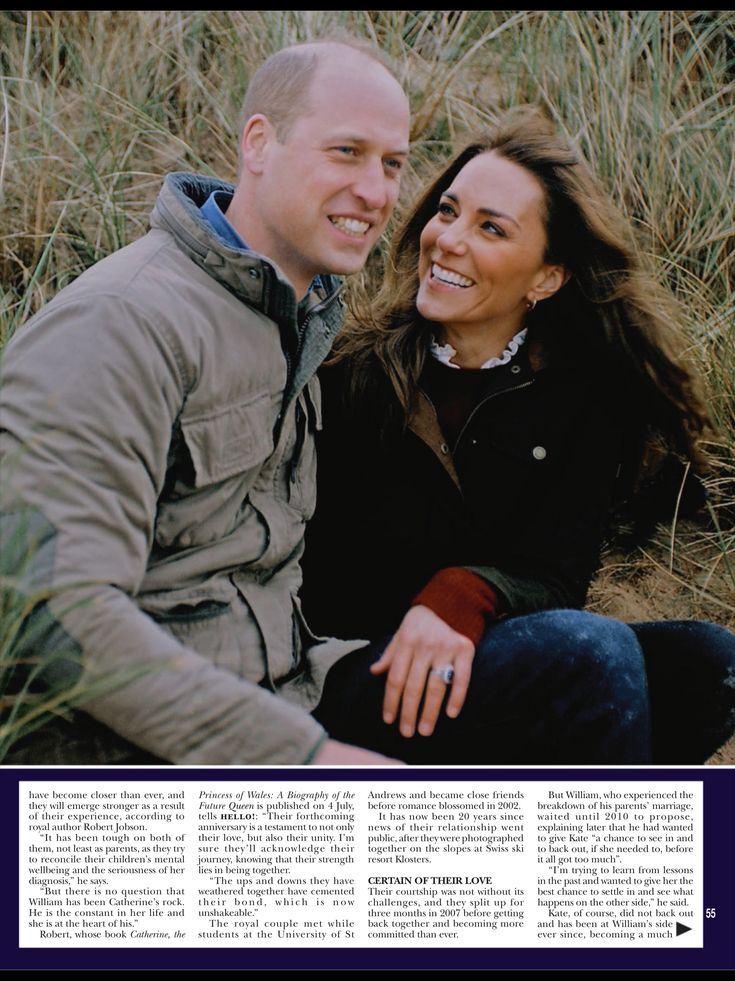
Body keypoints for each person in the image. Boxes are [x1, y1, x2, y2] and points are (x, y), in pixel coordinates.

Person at [0, 39, 411, 765]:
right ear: (259, 142)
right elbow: (50, 616)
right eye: (346, 152)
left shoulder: (298, 316)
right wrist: (305, 762)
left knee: (595, 666)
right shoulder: (122, 322)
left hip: (289, 688)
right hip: (119, 757)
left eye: (391, 164)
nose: (376, 192)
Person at [301, 109, 735, 765]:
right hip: (358, 678)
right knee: (591, 653)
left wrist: (462, 594)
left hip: (491, 663)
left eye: (490, 228)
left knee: (709, 662)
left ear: (545, 277)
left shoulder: (583, 398)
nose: (446, 239)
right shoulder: (347, 375)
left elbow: (554, 573)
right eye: (447, 212)